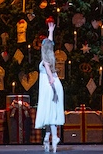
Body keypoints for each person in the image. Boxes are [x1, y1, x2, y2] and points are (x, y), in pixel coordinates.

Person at [35, 19, 64, 152]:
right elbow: (49, 44)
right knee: (50, 113)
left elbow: (48, 71)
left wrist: (51, 79)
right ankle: (49, 137)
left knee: (50, 113)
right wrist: (50, 31)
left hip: (50, 87)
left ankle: (53, 137)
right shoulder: (49, 59)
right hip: (53, 86)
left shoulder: (45, 60)